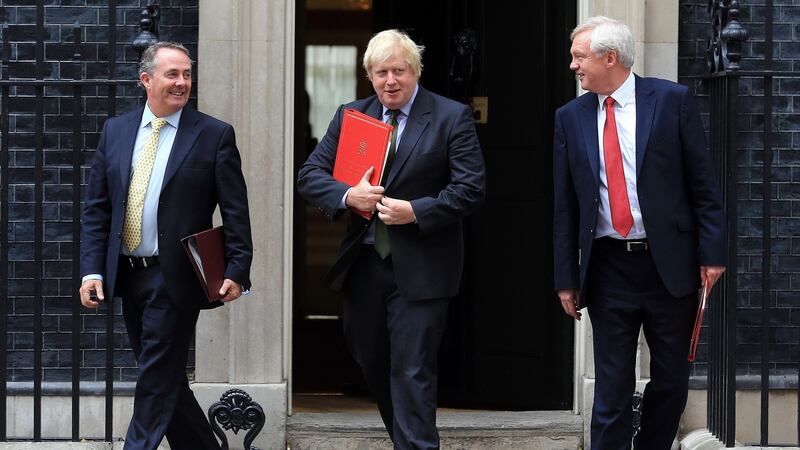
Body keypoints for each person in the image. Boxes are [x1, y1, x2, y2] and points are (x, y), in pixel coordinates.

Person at [297, 29, 485, 449]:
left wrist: (415, 211)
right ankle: (407, 440)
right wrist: (348, 195)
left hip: (422, 266)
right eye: (381, 73)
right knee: (373, 361)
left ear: (415, 71)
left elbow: (471, 188)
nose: (390, 81)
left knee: (413, 368)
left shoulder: (449, 116)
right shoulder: (352, 116)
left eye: (399, 71)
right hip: (364, 267)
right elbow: (309, 175)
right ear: (369, 74)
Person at [552, 16, 726, 450]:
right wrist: (566, 278)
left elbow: (703, 184)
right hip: (609, 267)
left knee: (670, 380)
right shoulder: (569, 118)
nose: (573, 65)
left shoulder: (671, 101)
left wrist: (713, 253)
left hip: (670, 265)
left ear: (610, 58)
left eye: (579, 56)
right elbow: (564, 207)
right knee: (611, 387)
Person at [79, 42, 253, 450]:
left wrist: (237, 269)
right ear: (146, 80)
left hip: (175, 277)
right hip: (128, 274)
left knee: (155, 378)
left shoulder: (214, 135)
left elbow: (235, 211)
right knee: (166, 376)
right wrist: (92, 270)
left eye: (187, 74)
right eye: (172, 74)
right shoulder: (116, 131)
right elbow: (96, 208)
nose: (181, 82)